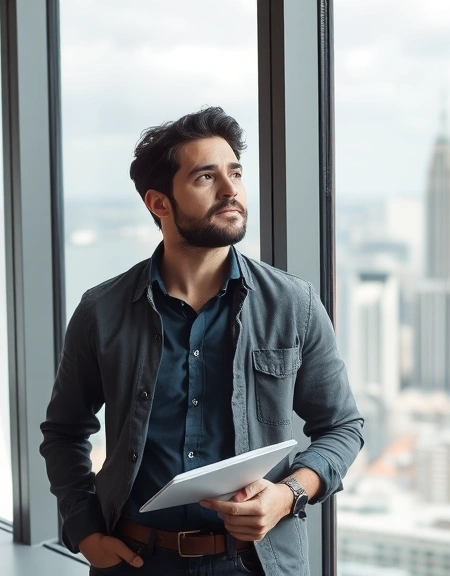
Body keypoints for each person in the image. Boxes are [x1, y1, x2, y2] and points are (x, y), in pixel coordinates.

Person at [39, 107, 364, 576]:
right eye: (206, 177)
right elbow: (65, 432)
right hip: (136, 561)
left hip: (258, 563)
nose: (231, 190)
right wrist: (85, 531)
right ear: (159, 203)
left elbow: (343, 427)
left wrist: (287, 494)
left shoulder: (294, 304)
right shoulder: (102, 310)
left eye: (236, 173)